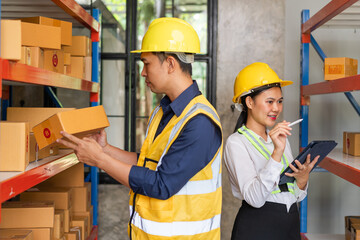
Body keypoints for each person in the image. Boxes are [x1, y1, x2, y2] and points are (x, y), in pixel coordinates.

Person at [57, 17, 223, 240]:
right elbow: (148, 164)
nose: (143, 72)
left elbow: (162, 184)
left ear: (171, 64)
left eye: (147, 63)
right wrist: (105, 149)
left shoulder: (200, 122)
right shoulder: (164, 110)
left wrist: (99, 160)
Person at [224, 62, 319, 240]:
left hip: (290, 222)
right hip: (257, 227)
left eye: (279, 101)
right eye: (269, 102)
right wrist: (276, 153)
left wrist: (302, 181)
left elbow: (294, 195)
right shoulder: (236, 143)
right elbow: (255, 198)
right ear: (249, 102)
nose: (276, 108)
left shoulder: (280, 138)